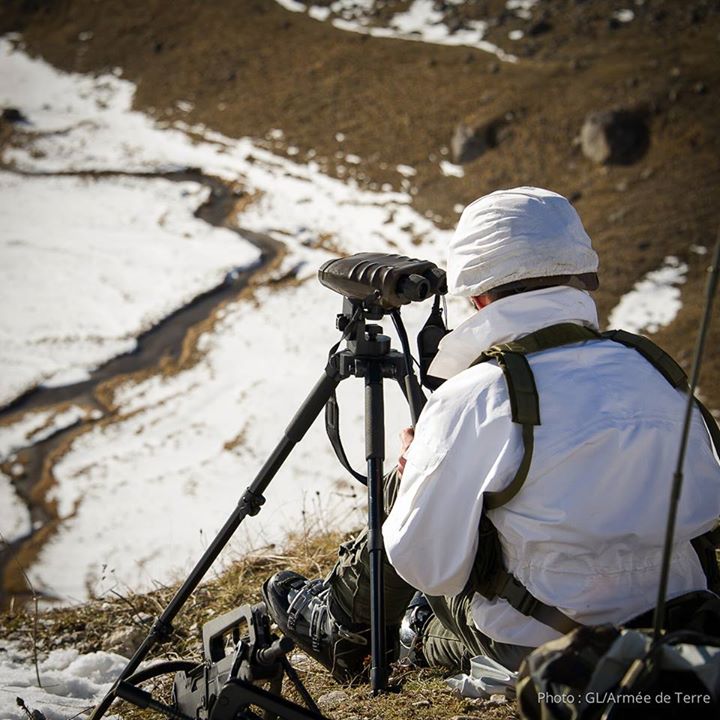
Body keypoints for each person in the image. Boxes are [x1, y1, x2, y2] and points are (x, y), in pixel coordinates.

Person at [262, 186, 720, 682]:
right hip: (682, 619)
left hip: (551, 647)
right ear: (580, 276)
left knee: (424, 590)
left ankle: (354, 627)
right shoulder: (653, 368)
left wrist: (418, 469)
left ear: (477, 294)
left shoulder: (478, 394)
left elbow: (426, 568)